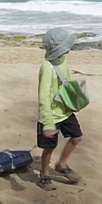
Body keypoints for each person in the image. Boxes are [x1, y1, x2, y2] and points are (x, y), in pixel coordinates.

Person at [36, 27, 84, 190]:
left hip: (65, 111)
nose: (68, 50)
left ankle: (62, 164)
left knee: (77, 138)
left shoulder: (63, 60)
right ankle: (44, 173)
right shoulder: (47, 66)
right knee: (49, 148)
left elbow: (66, 79)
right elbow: (43, 96)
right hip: (50, 116)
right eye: (65, 47)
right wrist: (48, 123)